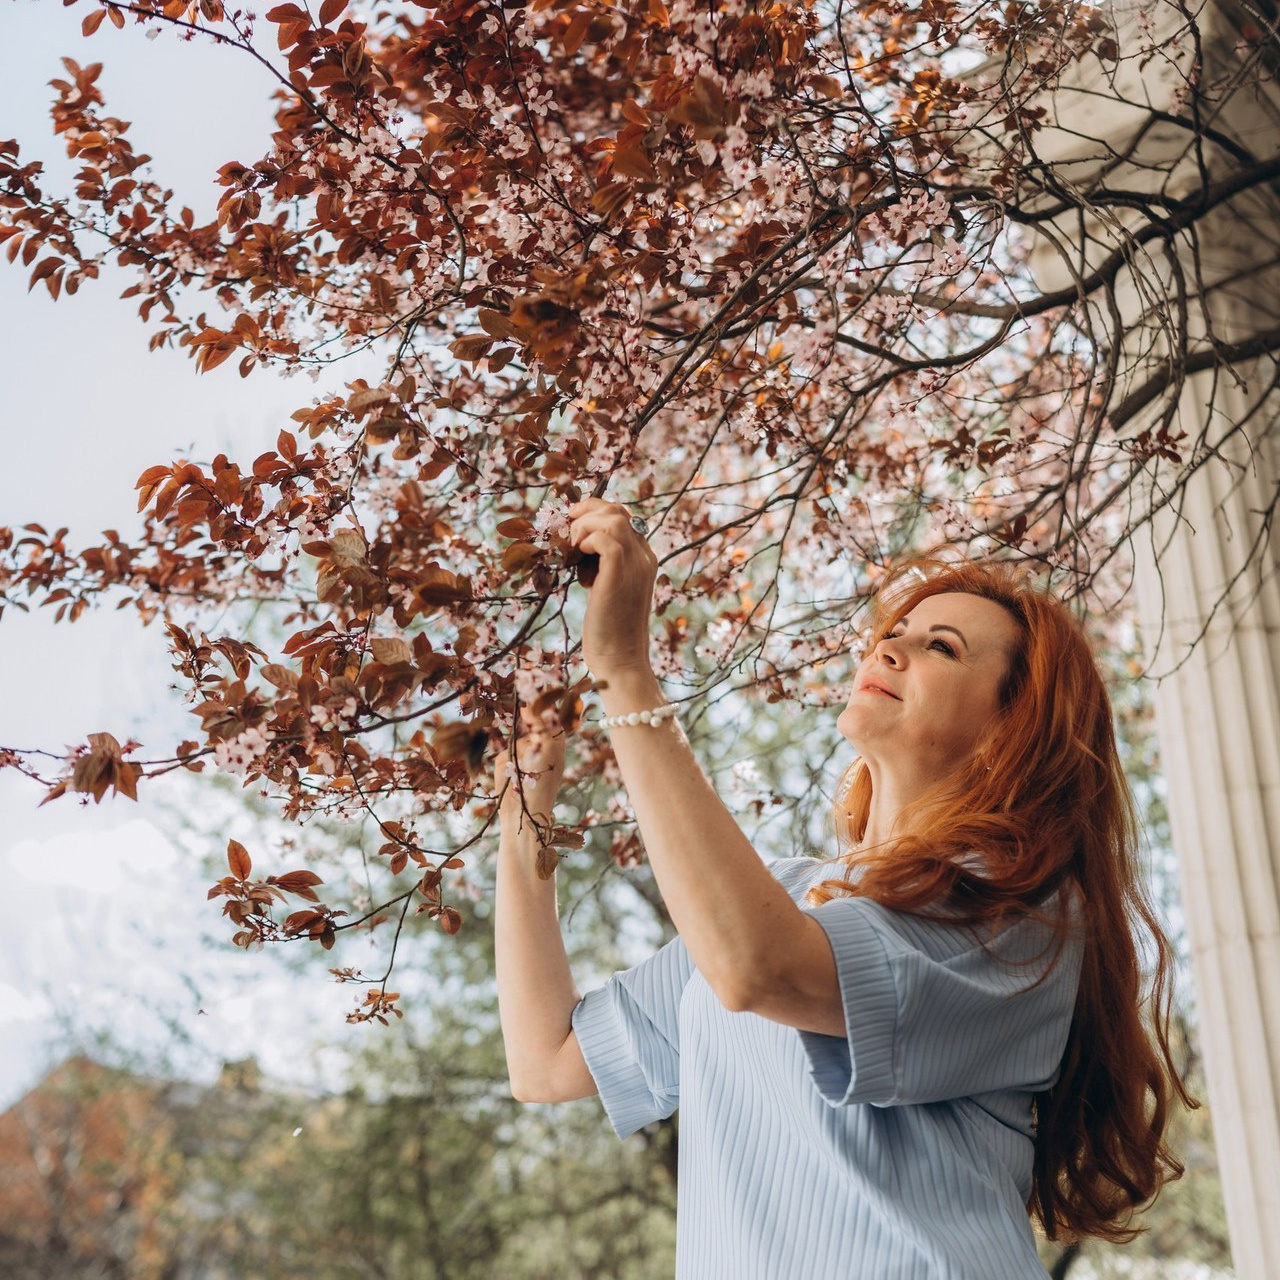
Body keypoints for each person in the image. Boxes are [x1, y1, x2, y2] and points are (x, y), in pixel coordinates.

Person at [493, 498, 1191, 1280]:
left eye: (941, 647)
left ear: (1011, 729)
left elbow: (758, 970)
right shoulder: (784, 894)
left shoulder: (1021, 912)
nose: (890, 648)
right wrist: (525, 809)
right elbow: (546, 1062)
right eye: (892, 633)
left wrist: (627, 674)